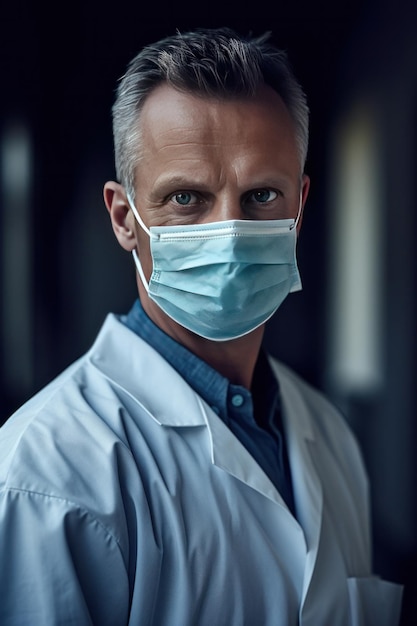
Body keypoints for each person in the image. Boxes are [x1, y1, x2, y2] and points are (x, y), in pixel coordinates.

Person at [0, 27, 403, 625]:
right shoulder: (45, 475)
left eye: (262, 194)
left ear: (300, 205)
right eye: (186, 198)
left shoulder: (329, 434)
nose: (232, 232)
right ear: (123, 218)